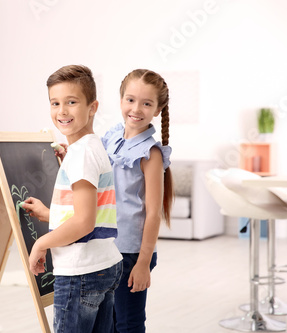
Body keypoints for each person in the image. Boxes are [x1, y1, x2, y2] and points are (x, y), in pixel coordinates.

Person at [22, 65, 123, 333]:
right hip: (105, 264)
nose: (62, 111)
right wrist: (48, 213)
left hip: (81, 272)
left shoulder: (80, 154)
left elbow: (84, 222)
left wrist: (41, 243)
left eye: (71, 102)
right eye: (55, 103)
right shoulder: (91, 146)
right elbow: (91, 211)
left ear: (93, 107)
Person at [102, 69, 174, 333]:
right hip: (107, 246)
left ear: (158, 109)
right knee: (107, 322)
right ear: (121, 100)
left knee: (128, 323)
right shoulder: (111, 138)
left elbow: (153, 213)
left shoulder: (150, 153)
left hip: (132, 253)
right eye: (130, 100)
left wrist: (144, 262)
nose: (136, 108)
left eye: (147, 103)